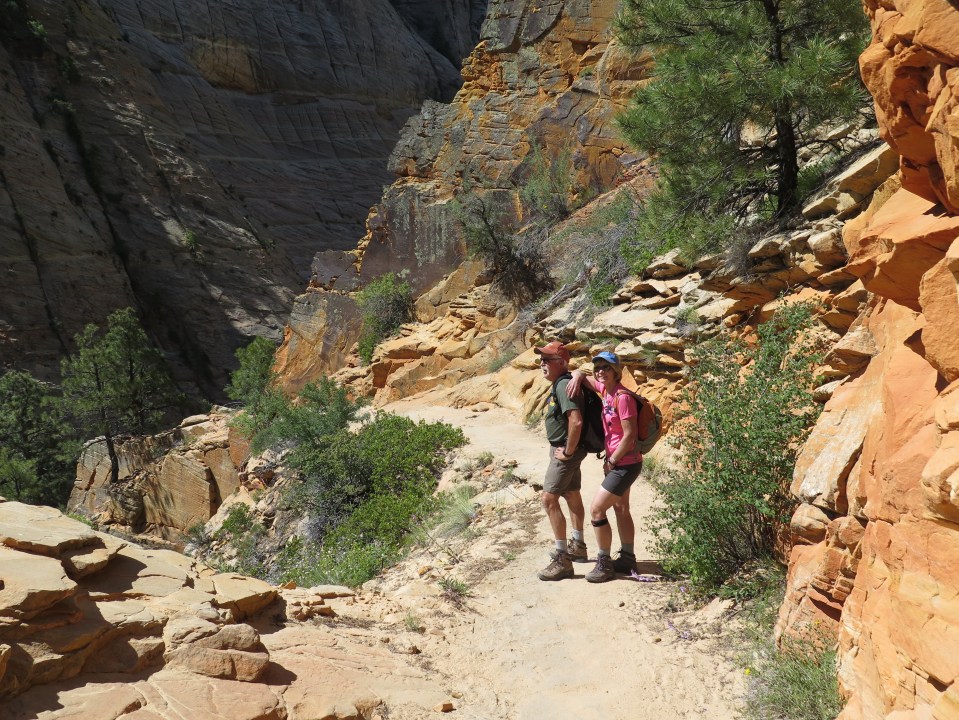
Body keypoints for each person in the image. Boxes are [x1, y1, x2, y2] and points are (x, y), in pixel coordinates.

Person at [568, 351, 642, 582]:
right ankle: (628, 558)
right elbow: (585, 377)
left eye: (606, 368)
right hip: (622, 462)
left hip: (625, 464)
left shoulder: (623, 397)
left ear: (616, 372)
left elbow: (629, 435)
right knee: (621, 509)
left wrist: (611, 461)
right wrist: (580, 374)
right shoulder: (605, 391)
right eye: (598, 367)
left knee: (597, 510)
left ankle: (604, 563)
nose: (600, 371)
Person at [533, 341, 590, 581]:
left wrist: (567, 452)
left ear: (562, 363)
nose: (542, 364)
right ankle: (577, 545)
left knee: (549, 499)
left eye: (547, 360)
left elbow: (575, 421)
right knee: (572, 493)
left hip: (565, 451)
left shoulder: (564, 385)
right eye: (541, 360)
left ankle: (563, 560)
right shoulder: (563, 382)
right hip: (569, 449)